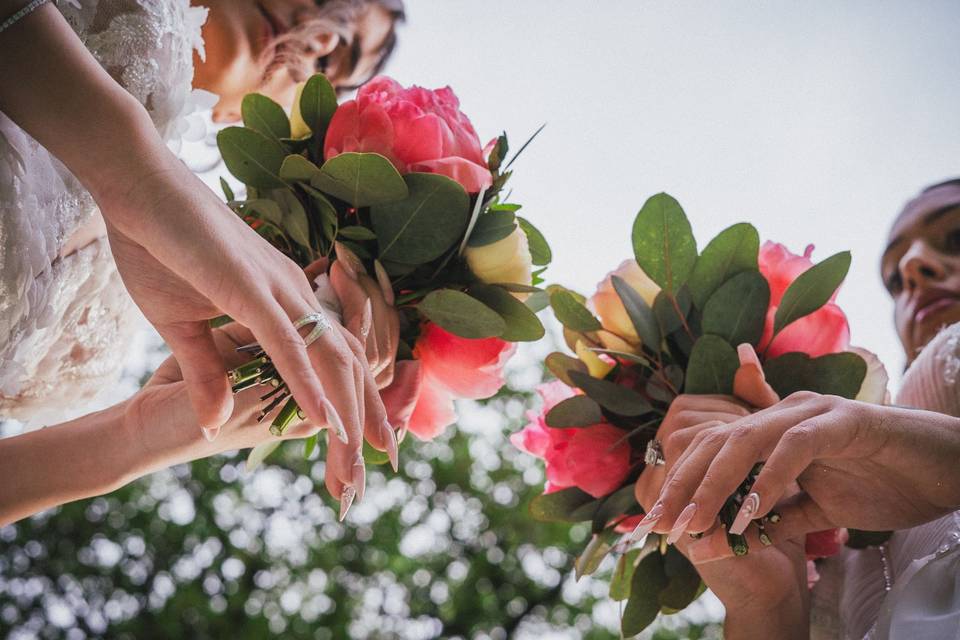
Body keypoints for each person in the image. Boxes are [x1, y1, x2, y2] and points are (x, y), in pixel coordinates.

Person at [0, 0, 405, 522]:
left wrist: (130, 440)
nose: (322, 38)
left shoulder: (119, 307)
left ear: (245, 116)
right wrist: (133, 171)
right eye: (330, 3)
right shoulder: (165, 209)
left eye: (334, 65)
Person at [630, 178, 960, 638]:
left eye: (956, 237)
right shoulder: (836, 512)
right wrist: (769, 603)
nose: (911, 266)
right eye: (892, 276)